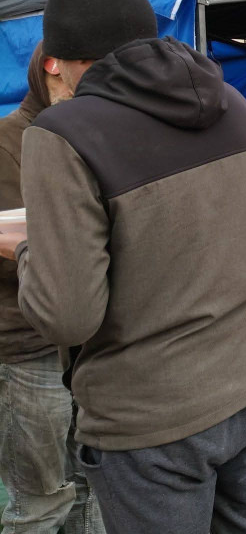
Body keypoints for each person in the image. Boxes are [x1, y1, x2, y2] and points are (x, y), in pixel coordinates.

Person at [0, 0, 246, 534]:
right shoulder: (233, 103)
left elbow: (68, 315)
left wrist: (26, 250)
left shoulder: (61, 133)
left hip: (149, 418)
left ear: (64, 56)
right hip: (244, 385)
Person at [0, 43, 105, 533]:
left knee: (89, 486)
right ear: (52, 66)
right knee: (40, 504)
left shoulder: (82, 135)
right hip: (27, 351)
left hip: (82, 346)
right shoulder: (8, 142)